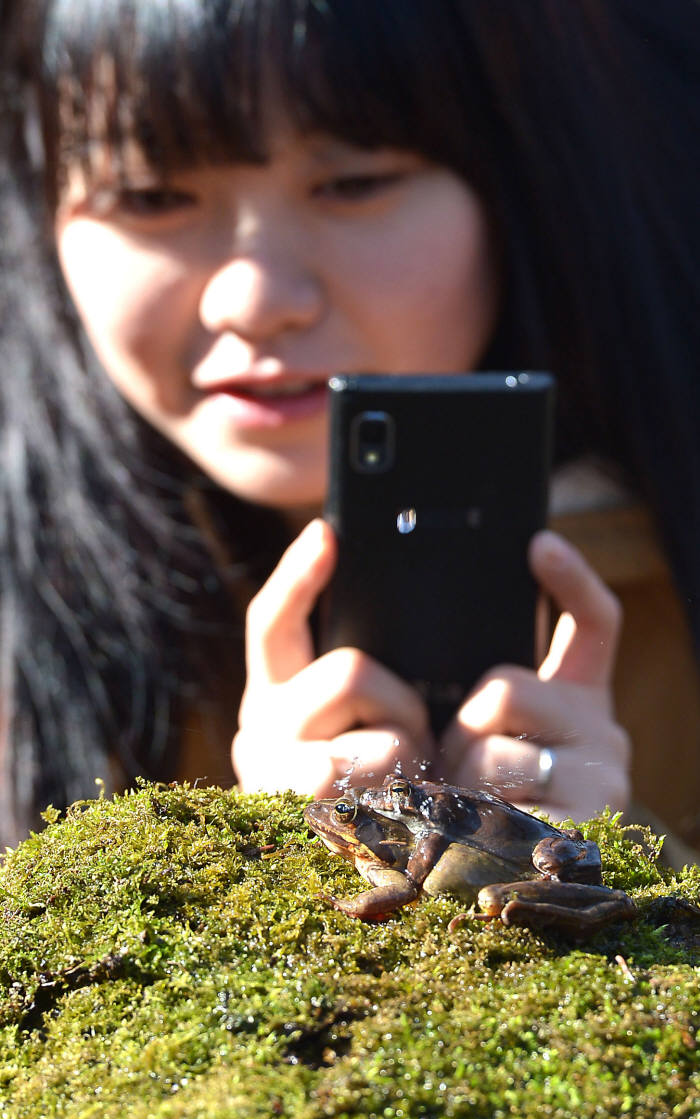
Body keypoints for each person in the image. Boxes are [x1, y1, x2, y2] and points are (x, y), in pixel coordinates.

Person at [1, 0, 698, 853]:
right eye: (150, 196)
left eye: (352, 183)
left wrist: (606, 875)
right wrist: (261, 864)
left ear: (517, 179)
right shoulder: (26, 608)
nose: (253, 301)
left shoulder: (662, 574)